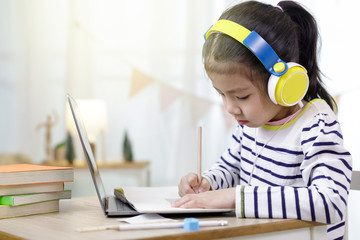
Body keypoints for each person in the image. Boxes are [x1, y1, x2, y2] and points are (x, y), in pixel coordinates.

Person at [171, 1, 352, 239]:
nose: (230, 108)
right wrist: (208, 183)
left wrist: (235, 197)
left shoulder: (316, 125)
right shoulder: (250, 125)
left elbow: (330, 201)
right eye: (221, 94)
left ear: (282, 84)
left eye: (241, 96)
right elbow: (231, 167)